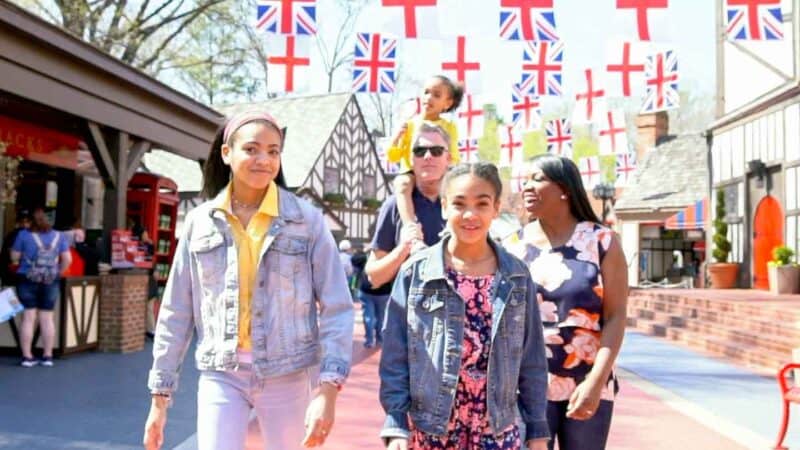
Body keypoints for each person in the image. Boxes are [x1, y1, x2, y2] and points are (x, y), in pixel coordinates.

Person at [143, 110, 354, 450]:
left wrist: (327, 389)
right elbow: (176, 313)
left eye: (273, 151)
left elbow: (337, 307)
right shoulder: (200, 223)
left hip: (288, 375)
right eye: (252, 149)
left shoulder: (307, 220)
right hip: (220, 373)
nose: (264, 160)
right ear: (227, 153)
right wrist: (159, 398)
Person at [379, 162, 550, 450]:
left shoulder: (517, 276)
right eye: (459, 204)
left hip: (496, 432)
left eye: (481, 204)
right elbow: (396, 354)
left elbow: (532, 360)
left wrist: (537, 430)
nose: (469, 215)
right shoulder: (416, 273)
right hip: (431, 430)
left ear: (495, 208)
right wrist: (396, 423)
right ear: (445, 207)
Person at [503, 155, 628, 450]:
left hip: (588, 382)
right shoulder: (511, 247)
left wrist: (596, 383)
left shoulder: (602, 242)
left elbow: (616, 317)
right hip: (527, 387)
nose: (527, 187)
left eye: (538, 178)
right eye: (526, 180)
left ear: (565, 189)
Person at [365, 123, 453, 290]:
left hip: (457, 312)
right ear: (411, 159)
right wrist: (403, 249)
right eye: (419, 151)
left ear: (448, 158)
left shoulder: (462, 204)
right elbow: (374, 278)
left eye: (436, 151)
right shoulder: (395, 206)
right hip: (408, 313)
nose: (428, 156)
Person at [386, 75, 463, 252]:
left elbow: (454, 154)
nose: (429, 98)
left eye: (436, 95)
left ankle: (451, 226)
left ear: (447, 103)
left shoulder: (449, 126)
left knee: (456, 186)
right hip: (412, 171)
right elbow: (393, 156)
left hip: (440, 171)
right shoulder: (410, 123)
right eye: (426, 92)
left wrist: (451, 169)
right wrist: (397, 137)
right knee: (402, 183)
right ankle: (411, 231)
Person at [10, 207, 71, 367]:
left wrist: (23, 256)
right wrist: (57, 271)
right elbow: (67, 259)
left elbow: (14, 257)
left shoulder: (23, 235)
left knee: (29, 317)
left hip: (27, 278)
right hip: (50, 280)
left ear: (30, 221)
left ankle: (27, 356)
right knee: (47, 318)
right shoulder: (59, 236)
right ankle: (47, 355)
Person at [352, 244, 390, 349]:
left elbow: (354, 260)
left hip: (367, 290)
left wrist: (365, 252)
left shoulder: (366, 258)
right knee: (381, 317)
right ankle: (380, 339)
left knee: (369, 316)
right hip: (382, 292)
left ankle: (369, 340)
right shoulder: (388, 258)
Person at [0, 210, 31, 287]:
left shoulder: (13, 235)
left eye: (27, 222)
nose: (25, 224)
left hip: (14, 277)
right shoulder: (14, 236)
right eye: (22, 222)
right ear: (18, 223)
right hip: (14, 277)